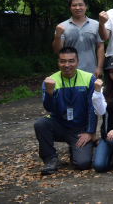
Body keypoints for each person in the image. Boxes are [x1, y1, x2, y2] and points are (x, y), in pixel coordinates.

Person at [34, 47, 97, 175]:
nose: (67, 65)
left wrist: (90, 132)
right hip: (59, 126)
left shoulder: (88, 78)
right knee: (40, 123)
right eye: (63, 61)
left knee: (83, 163)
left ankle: (75, 151)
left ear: (77, 61)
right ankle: (50, 158)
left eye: (71, 61)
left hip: (80, 129)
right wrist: (49, 92)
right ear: (58, 62)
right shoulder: (50, 81)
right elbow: (48, 108)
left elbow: (93, 108)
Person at [52, 0, 104, 79]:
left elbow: (100, 47)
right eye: (74, 5)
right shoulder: (62, 27)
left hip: (91, 70)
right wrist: (58, 35)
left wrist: (99, 68)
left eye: (80, 5)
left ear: (86, 6)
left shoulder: (96, 25)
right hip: (69, 69)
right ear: (70, 7)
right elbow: (57, 50)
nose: (77, 8)